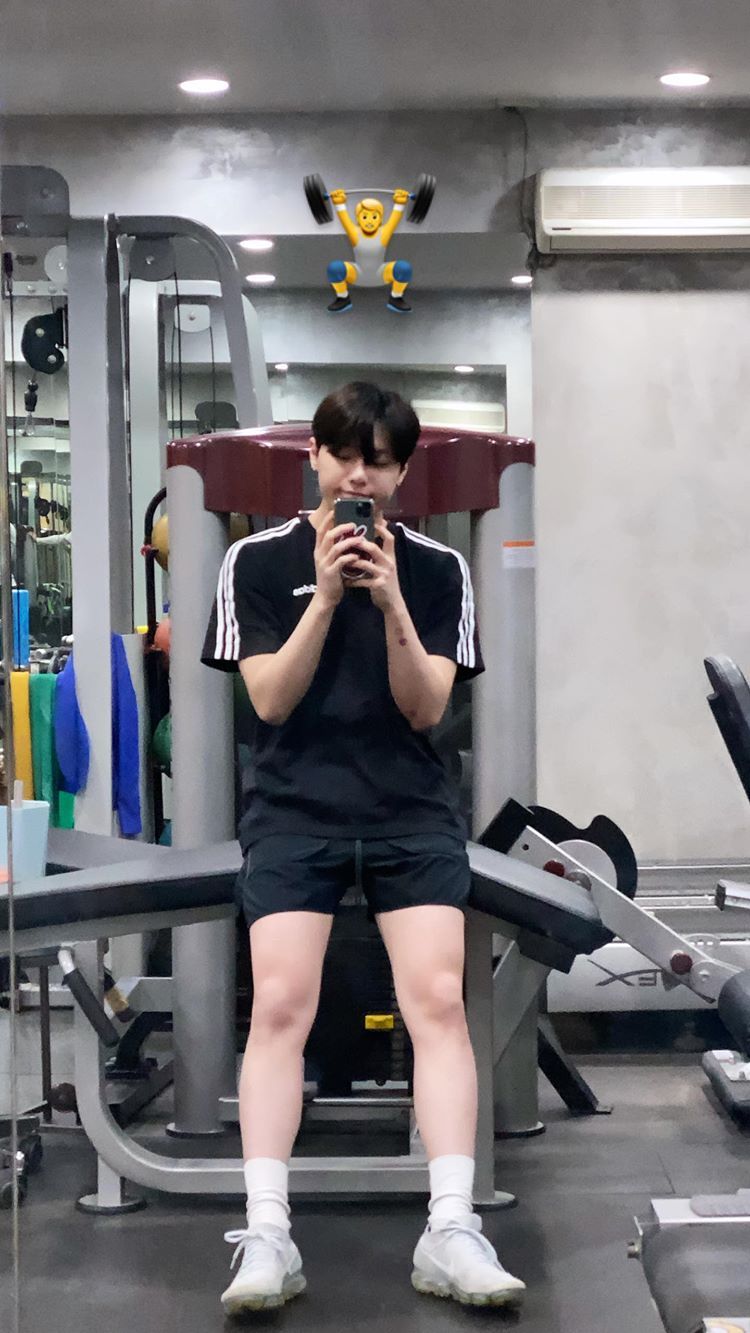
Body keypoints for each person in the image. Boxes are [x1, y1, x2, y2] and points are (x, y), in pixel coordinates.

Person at [201, 381, 526, 1316]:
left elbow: (427, 707)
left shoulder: (438, 570)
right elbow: (269, 700)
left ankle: (452, 1225)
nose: (357, 475)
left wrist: (386, 600)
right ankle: (267, 1232)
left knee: (438, 1001)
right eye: (343, 454)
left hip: (407, 809)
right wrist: (325, 596)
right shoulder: (256, 561)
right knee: (279, 1006)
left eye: (377, 461)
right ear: (315, 456)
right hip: (295, 809)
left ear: (401, 472)